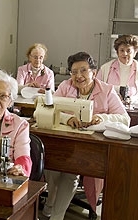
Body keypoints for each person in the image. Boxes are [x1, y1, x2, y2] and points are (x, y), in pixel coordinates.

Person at [42, 52, 130, 219]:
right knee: (51, 168)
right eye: (74, 72)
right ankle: (50, 203)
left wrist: (101, 118)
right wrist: (68, 118)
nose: (78, 76)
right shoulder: (65, 87)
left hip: (91, 148)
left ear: (94, 72)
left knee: (70, 174)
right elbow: (49, 109)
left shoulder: (106, 90)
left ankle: (56, 216)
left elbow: (124, 119)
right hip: (65, 142)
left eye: (83, 70)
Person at [97, 34, 138, 105]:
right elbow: (96, 90)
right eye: (122, 50)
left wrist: (132, 99)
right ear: (117, 52)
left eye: (128, 51)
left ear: (135, 53)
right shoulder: (105, 68)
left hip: (133, 113)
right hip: (108, 110)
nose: (125, 53)